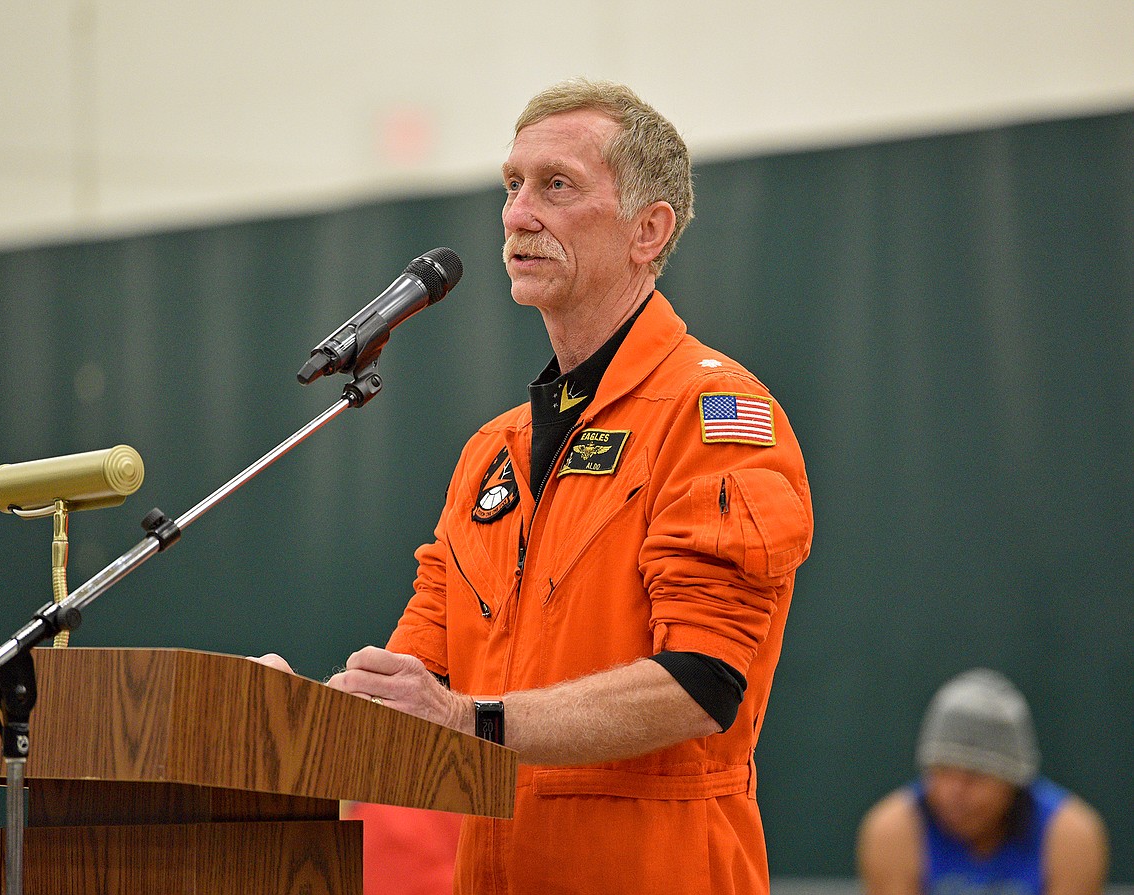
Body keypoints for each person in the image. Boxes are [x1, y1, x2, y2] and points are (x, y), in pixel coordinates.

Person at [258, 77, 813, 893]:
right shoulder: (494, 451)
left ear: (648, 230)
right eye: (512, 186)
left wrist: (469, 720)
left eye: (557, 186)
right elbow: (422, 682)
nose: (519, 214)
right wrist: (295, 713)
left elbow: (702, 684)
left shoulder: (713, 417)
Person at [857, 669, 1109, 895]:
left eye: (973, 777)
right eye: (942, 772)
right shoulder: (894, 831)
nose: (952, 793)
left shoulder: (1069, 836)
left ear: (1014, 781)